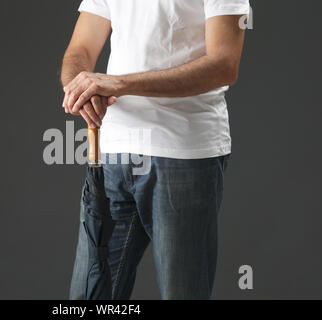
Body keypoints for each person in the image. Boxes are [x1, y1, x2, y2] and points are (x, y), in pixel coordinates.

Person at [61, 0, 250, 300]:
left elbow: (224, 64)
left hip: (183, 154)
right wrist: (79, 88)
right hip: (113, 153)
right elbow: (80, 49)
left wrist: (119, 83)